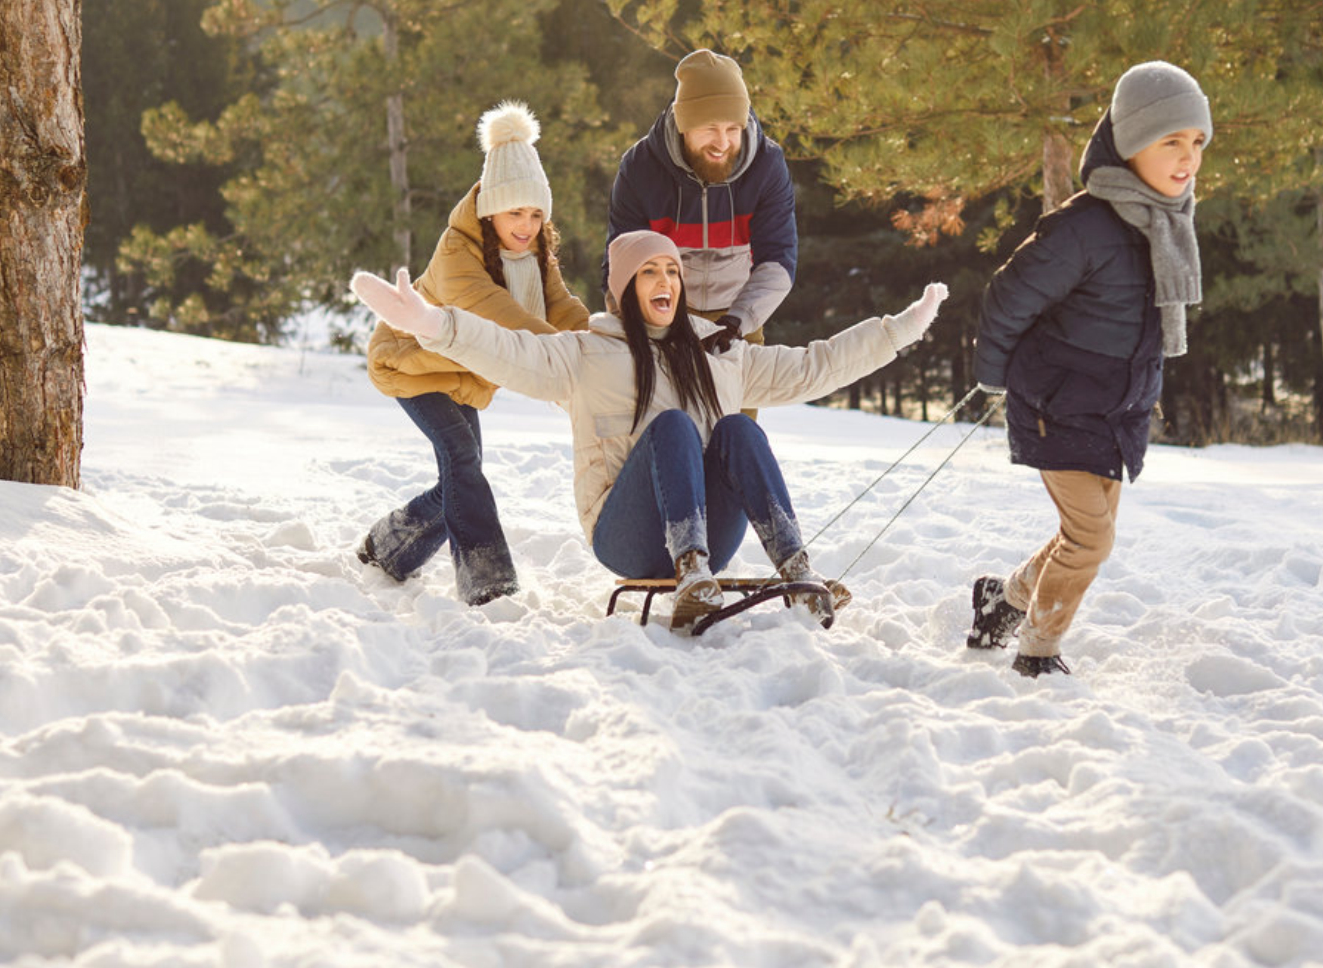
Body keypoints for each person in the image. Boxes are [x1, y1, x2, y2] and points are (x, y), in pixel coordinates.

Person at [351, 230, 948, 634]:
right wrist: (431, 323)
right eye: (649, 272)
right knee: (672, 428)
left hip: (713, 534)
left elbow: (817, 365)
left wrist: (898, 331)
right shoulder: (585, 353)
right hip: (626, 534)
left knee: (739, 430)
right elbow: (507, 350)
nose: (665, 280)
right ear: (625, 288)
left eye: (671, 271)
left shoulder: (720, 353)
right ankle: (689, 569)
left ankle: (796, 570)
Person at [966, 61, 1212, 678]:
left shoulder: (1165, 222)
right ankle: (1037, 654)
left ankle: (1004, 600)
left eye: (1197, 142)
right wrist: (992, 372)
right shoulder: (1083, 227)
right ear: (1130, 143)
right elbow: (1009, 295)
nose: (1188, 157)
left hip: (1115, 410)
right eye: (1171, 141)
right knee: (1091, 540)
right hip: (1057, 404)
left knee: (1079, 538)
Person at [358, 100, 590, 605]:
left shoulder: (533, 252)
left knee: (460, 479)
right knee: (463, 461)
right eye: (515, 213)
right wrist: (568, 358)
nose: (526, 225)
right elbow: (500, 315)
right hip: (413, 362)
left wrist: (599, 342)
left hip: (462, 373)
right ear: (490, 208)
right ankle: (488, 579)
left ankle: (388, 547)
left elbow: (559, 305)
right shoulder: (456, 253)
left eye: (536, 214)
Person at [606, 48, 796, 355]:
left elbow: (778, 259)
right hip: (665, 313)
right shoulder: (641, 167)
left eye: (732, 129)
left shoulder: (767, 166)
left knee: (739, 388)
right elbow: (621, 260)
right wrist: (633, 332)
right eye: (710, 128)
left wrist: (737, 323)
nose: (722, 143)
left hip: (740, 312)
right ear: (684, 125)